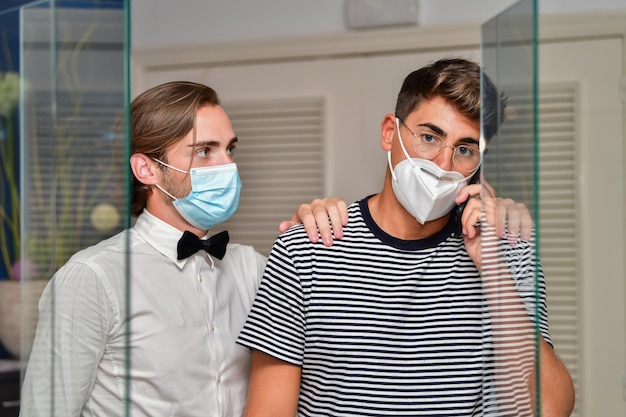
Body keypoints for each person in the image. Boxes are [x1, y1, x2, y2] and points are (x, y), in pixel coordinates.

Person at [237, 58, 575, 417]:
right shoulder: (305, 248)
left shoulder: (508, 248)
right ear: (389, 132)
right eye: (429, 137)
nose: (443, 165)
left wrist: (492, 267)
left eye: (464, 149)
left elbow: (550, 409)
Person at [19, 81, 348, 417]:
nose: (228, 166)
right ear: (147, 169)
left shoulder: (253, 267)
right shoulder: (93, 278)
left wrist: (319, 234)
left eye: (229, 149)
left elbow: (333, 361)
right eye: (205, 151)